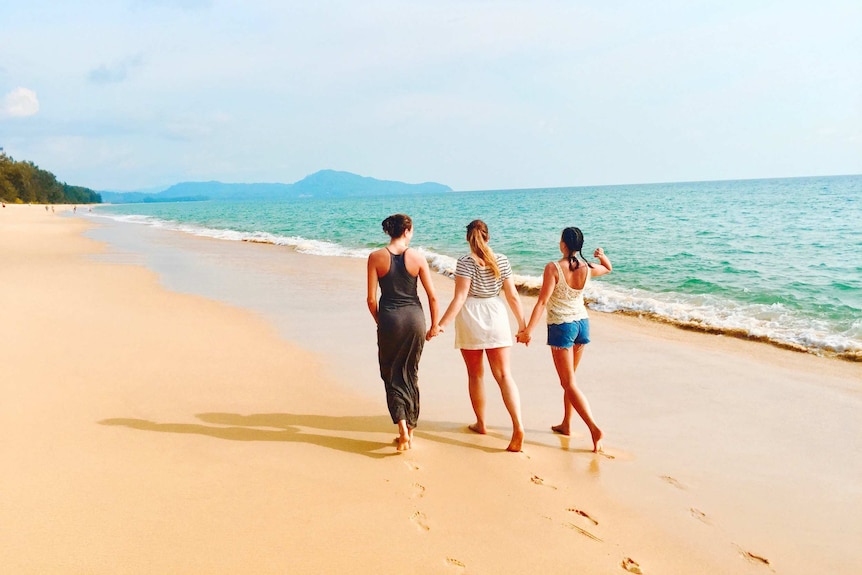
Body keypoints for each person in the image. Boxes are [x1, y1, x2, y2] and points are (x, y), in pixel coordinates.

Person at [428, 220, 527, 452]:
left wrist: (441, 324)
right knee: (504, 375)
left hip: (471, 316)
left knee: (475, 374)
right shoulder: (501, 260)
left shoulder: (464, 262)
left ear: (467, 239)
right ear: (488, 237)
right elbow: (512, 295)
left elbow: (460, 297)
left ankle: (481, 423)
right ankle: (518, 425)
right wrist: (523, 325)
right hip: (496, 314)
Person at [518, 227, 612, 453]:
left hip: (562, 327)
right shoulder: (587, 268)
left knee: (568, 383)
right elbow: (608, 268)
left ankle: (594, 428)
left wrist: (528, 330)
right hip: (582, 325)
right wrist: (601, 255)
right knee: (570, 382)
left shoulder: (553, 268)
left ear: (564, 244)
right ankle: (567, 424)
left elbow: (542, 302)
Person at [367, 214, 439, 451]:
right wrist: (434, 325)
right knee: (411, 372)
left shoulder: (375, 257)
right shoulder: (418, 258)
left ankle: (401, 429)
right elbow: (432, 296)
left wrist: (381, 321)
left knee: (391, 373)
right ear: (407, 231)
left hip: (390, 319)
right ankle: (411, 428)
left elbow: (370, 300)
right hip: (414, 320)